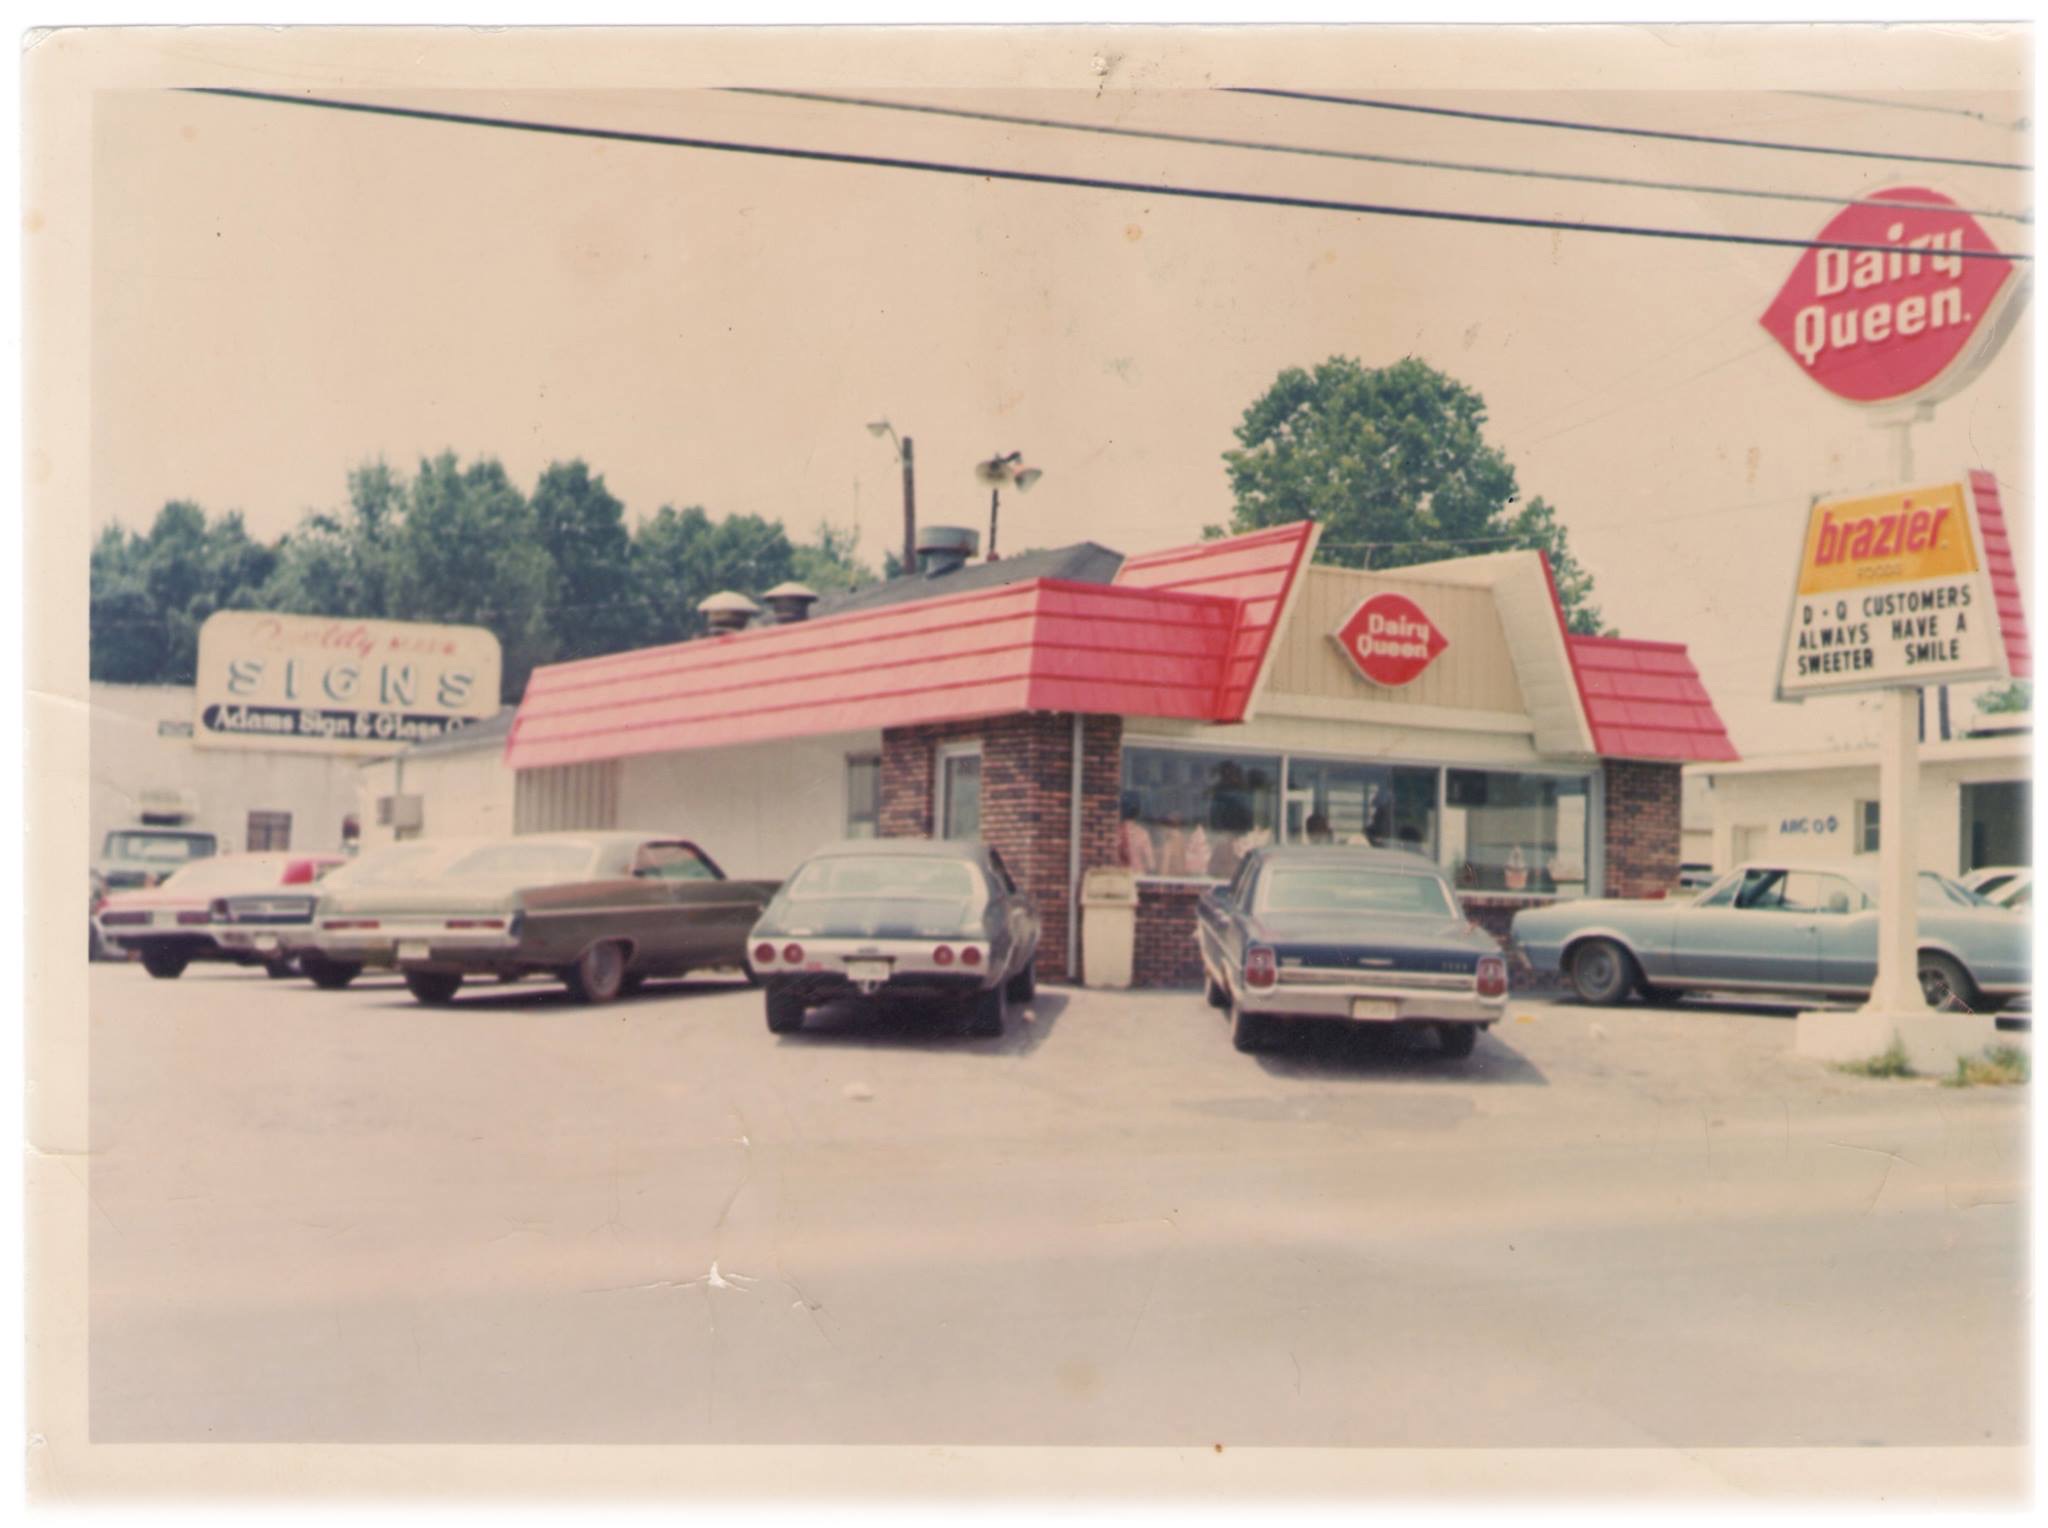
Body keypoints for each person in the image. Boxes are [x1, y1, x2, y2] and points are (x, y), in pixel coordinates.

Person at [1118, 795, 1156, 875]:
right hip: (1138, 876)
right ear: (1137, 812)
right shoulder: (1142, 833)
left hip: (1121, 877)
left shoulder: (1117, 832)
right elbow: (1151, 864)